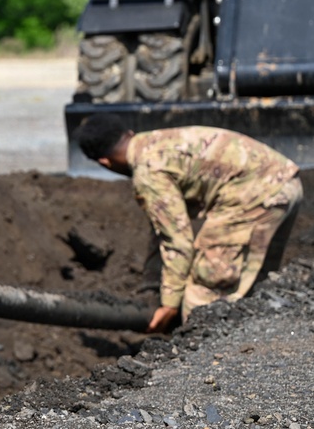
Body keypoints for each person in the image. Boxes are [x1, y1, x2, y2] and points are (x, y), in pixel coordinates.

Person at [73, 113, 302, 334]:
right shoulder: (157, 142)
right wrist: (153, 284)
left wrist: (170, 305)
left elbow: (177, 240)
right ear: (129, 133)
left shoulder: (147, 171)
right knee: (253, 285)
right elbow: (161, 229)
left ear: (104, 162)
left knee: (203, 295)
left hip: (256, 197)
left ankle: (202, 364)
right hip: (286, 183)